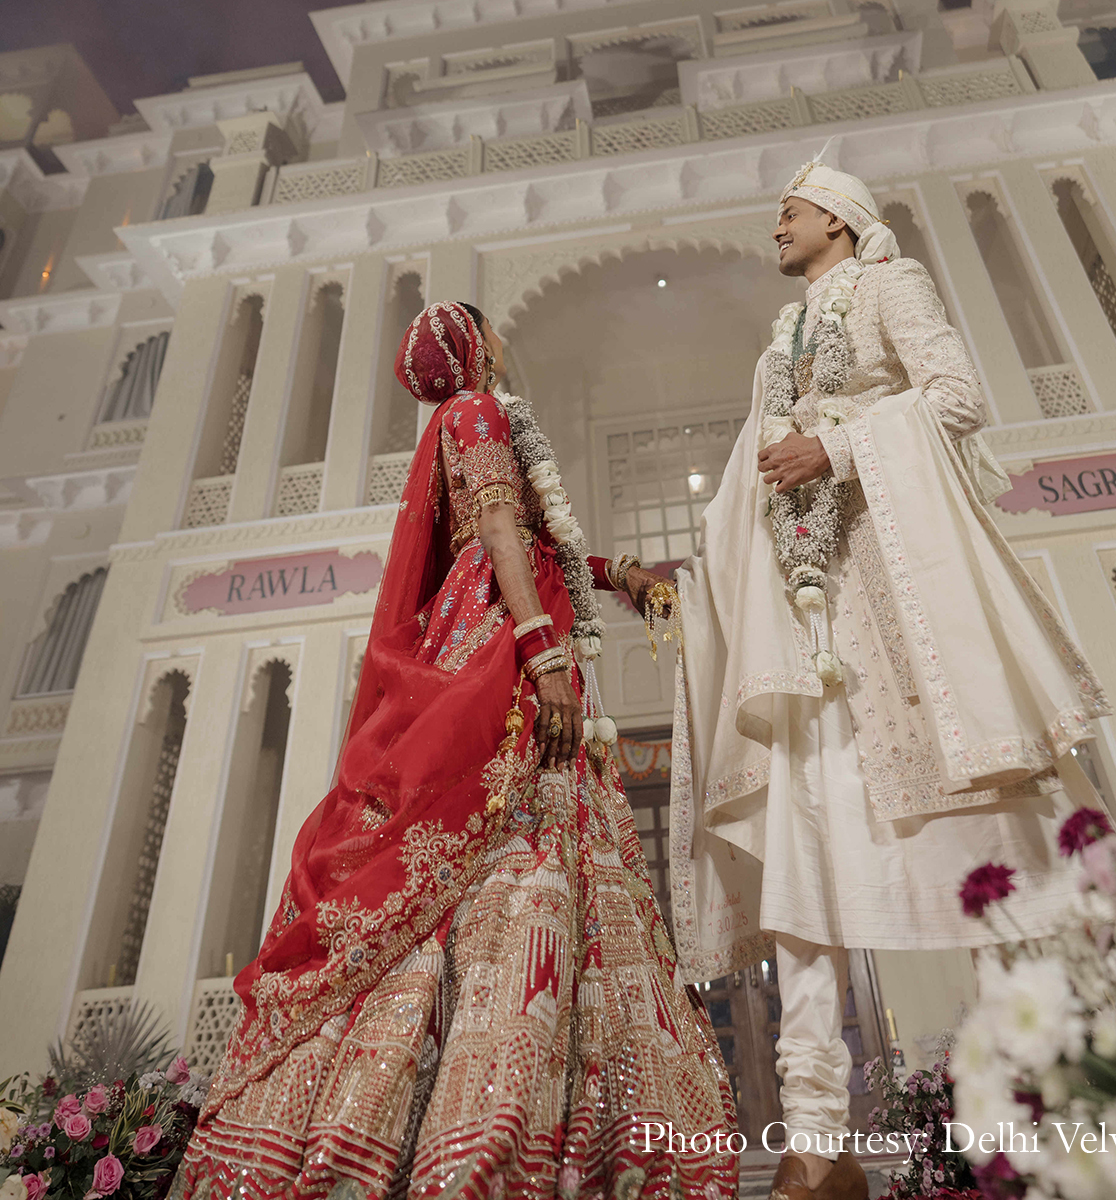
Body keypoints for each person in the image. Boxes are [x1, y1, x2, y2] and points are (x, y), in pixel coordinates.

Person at [172, 302, 736, 1200]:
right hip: (505, 657)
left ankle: (553, 1119)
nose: (506, 343)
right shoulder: (477, 412)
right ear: (474, 348)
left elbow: (538, 539)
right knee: (502, 856)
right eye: (492, 332)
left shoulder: (467, 422)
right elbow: (502, 536)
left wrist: (620, 579)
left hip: (512, 631)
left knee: (535, 857)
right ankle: (480, 1131)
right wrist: (543, 648)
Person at [623, 163, 1111, 1200]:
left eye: (790, 211)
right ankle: (813, 1140)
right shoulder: (777, 340)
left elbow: (953, 398)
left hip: (898, 604)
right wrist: (688, 584)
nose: (775, 225)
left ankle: (1025, 1121)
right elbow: (757, 477)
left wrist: (834, 447)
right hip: (801, 632)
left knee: (986, 847)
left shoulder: (893, 286)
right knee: (804, 857)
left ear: (839, 222)